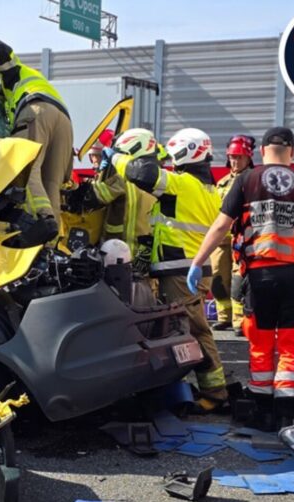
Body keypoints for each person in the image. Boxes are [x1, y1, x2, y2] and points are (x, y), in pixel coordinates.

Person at [187, 127, 294, 425]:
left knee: (261, 339)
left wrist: (197, 262)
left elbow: (221, 226)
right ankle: (288, 410)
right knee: (292, 341)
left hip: (259, 275)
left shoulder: (246, 180)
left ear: (262, 151)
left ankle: (261, 404)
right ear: (292, 151)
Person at [102, 127, 228, 410]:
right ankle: (196, 389)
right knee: (181, 330)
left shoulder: (183, 184)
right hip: (190, 269)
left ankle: (215, 394)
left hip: (181, 271)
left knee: (194, 330)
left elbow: (141, 173)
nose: (169, 161)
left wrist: (116, 157)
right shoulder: (209, 190)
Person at [0, 39, 72, 244]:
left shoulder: (12, 76)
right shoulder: (35, 80)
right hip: (64, 120)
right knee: (51, 182)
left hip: (37, 111)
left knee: (26, 169)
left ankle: (43, 220)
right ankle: (50, 244)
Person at [91, 128, 158, 268]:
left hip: (119, 252)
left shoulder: (124, 177)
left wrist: (101, 173)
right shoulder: (158, 177)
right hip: (145, 253)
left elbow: (96, 196)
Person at [210, 135, 255, 331]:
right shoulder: (222, 183)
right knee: (217, 278)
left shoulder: (253, 180)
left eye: (239, 157)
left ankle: (239, 321)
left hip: (242, 238)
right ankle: (224, 317)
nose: (235, 161)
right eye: (232, 157)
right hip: (221, 239)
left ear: (248, 158)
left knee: (239, 280)